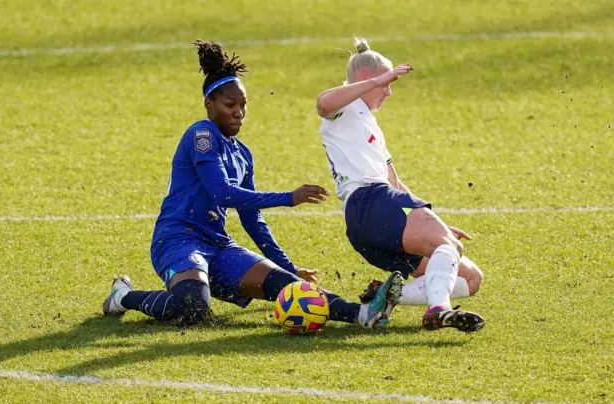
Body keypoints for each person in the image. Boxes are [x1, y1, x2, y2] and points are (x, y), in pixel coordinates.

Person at [103, 40, 404, 329]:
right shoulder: (201, 136)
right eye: (229, 104)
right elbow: (223, 192)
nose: (238, 112)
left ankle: (364, 314)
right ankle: (123, 297)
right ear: (209, 104)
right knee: (193, 305)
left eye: (243, 105)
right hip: (179, 240)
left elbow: (252, 219)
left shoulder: (242, 153)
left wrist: (288, 266)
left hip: (217, 244)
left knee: (291, 286)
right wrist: (289, 197)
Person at [316, 38, 485, 332]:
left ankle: (385, 298)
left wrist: (439, 223)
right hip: (369, 203)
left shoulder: (369, 124)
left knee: (470, 277)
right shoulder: (344, 109)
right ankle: (438, 309)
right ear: (367, 79)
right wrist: (375, 82)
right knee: (448, 246)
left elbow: (396, 182)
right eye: (386, 84)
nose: (389, 92)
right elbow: (322, 104)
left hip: (370, 219)